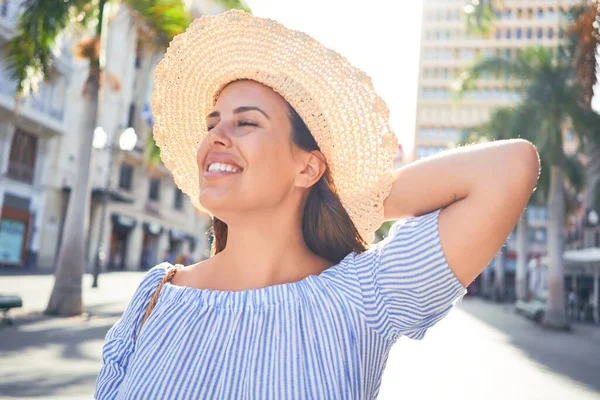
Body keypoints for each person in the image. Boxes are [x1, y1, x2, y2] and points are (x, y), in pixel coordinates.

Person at [95, 11, 540, 399]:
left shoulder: (363, 296)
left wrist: (341, 194)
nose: (215, 137)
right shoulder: (157, 295)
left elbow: (508, 168)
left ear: (308, 169)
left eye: (246, 122)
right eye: (213, 125)